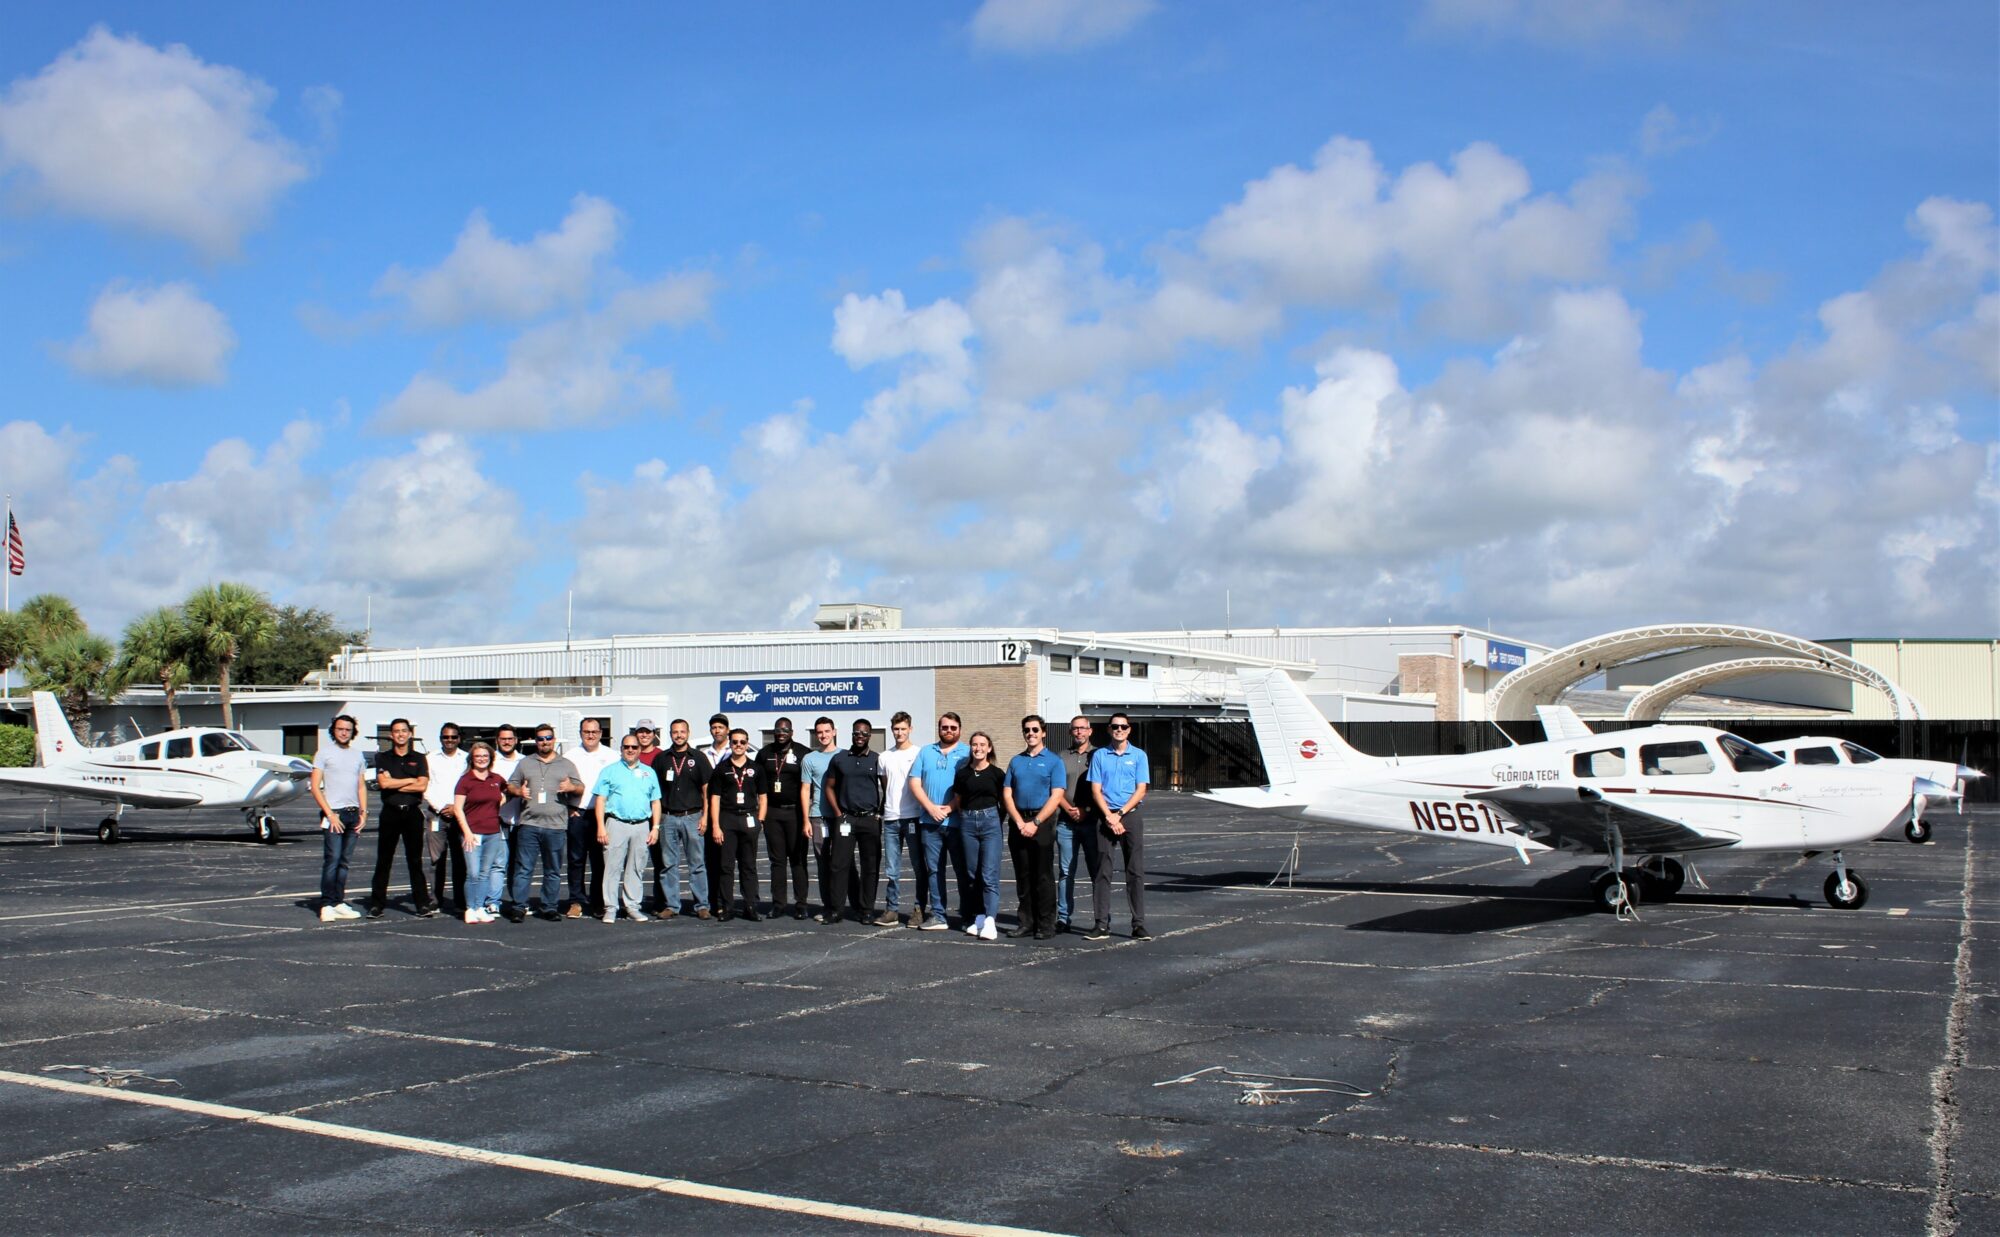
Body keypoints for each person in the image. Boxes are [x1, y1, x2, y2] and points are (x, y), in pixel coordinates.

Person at [1087, 713, 1151, 941]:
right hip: (1105, 817)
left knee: (1135, 871)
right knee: (1102, 871)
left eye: (1123, 726)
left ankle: (1138, 924)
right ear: (1109, 729)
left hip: (1130, 816)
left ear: (1129, 729)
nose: (1119, 730)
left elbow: (1141, 789)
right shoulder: (1099, 755)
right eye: (1115, 726)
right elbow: (1095, 790)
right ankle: (1101, 924)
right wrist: (1109, 816)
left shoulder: (1139, 756)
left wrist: (1120, 814)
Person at [1003, 714, 1066, 940]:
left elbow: (1057, 795)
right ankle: (1026, 922)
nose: (1031, 734)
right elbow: (1007, 793)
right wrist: (1020, 822)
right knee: (1023, 875)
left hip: (1042, 822)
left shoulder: (1054, 761)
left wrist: (1036, 822)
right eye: (1027, 730)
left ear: (1043, 733)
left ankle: (1046, 924)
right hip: (1019, 822)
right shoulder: (1016, 761)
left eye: (1035, 730)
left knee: (1043, 876)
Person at [507, 724, 579, 921]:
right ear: (535, 741)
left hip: (556, 826)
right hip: (529, 824)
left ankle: (549, 907)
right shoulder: (525, 763)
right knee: (524, 869)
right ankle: (519, 907)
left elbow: (580, 787)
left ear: (553, 740)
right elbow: (511, 785)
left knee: (552, 870)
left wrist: (571, 787)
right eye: (540, 739)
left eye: (548, 738)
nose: (544, 742)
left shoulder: (566, 764)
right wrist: (518, 791)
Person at [908, 712, 969, 930]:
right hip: (929, 822)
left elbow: (970, 785)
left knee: (963, 871)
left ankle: (968, 916)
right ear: (939, 729)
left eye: (953, 727)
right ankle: (938, 916)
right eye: (945, 727)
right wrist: (930, 808)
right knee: (934, 870)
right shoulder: (926, 751)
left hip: (958, 823)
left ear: (959, 729)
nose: (949, 731)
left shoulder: (967, 753)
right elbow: (914, 782)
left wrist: (951, 807)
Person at [593, 733, 661, 923]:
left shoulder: (649, 772)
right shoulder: (609, 771)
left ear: (640, 750)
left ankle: (632, 907)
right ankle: (610, 908)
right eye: (626, 747)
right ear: (621, 749)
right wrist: (601, 827)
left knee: (636, 868)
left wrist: (655, 827)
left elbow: (655, 802)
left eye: (634, 747)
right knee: (612, 868)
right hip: (616, 824)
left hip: (641, 825)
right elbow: (601, 800)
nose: (630, 750)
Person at [368, 718, 432, 918]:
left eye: (404, 731)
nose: (401, 734)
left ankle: (422, 904)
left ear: (410, 734)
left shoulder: (419, 758)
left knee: (415, 861)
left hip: (412, 813)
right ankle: (377, 904)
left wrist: (395, 783)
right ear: (391, 735)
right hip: (390, 812)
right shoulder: (383, 757)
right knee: (384, 860)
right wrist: (411, 780)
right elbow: (384, 784)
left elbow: (422, 786)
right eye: (396, 731)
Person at [823, 719, 885, 925]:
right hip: (846, 819)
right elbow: (829, 787)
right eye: (857, 733)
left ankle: (866, 910)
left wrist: (879, 814)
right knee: (838, 865)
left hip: (869, 819)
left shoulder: (877, 759)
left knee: (870, 866)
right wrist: (838, 813)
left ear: (869, 736)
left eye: (864, 734)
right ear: (852, 734)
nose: (860, 737)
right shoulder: (840, 759)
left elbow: (887, 788)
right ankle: (836, 910)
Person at [948, 731, 1006, 941]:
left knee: (989, 874)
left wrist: (995, 820)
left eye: (982, 744)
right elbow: (958, 800)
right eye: (974, 744)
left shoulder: (997, 774)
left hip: (991, 823)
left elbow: (1004, 801)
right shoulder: (962, 774)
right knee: (972, 874)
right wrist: (967, 817)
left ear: (989, 748)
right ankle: (979, 916)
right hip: (968, 824)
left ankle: (990, 920)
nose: (978, 748)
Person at [310, 713, 368, 922]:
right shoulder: (324, 754)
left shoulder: (357, 755)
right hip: (334, 813)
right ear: (333, 731)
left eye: (348, 730)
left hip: (353, 813)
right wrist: (330, 814)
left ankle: (338, 901)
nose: (344, 733)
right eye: (340, 729)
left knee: (344, 861)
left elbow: (361, 786)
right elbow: (315, 787)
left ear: (353, 732)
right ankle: (326, 904)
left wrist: (364, 813)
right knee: (332, 859)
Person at [655, 719, 712, 919]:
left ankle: (702, 905)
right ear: (670, 734)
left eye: (682, 731)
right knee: (668, 864)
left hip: (692, 816)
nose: (679, 735)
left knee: (697, 863)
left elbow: (706, 790)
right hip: (668, 817)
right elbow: (655, 792)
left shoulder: (699, 758)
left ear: (688, 733)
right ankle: (672, 905)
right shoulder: (662, 758)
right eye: (675, 732)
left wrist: (705, 817)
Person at [754, 717, 810, 920]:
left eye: (785, 730)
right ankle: (778, 904)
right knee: (777, 861)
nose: (781, 734)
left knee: (798, 860)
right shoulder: (764, 754)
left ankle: (801, 904)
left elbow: (809, 785)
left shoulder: (803, 753)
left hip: (795, 813)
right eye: (778, 730)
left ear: (792, 733)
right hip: (773, 813)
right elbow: (756, 782)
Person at [706, 728, 764, 921]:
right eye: (735, 742)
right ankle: (727, 907)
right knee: (726, 866)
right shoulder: (721, 768)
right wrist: (716, 825)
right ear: (730, 744)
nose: (738, 745)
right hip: (728, 818)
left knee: (749, 866)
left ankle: (751, 906)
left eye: (742, 742)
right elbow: (714, 798)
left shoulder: (756, 768)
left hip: (749, 818)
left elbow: (763, 796)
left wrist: (760, 820)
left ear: (747, 744)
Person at [453, 741, 510, 924]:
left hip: (493, 832)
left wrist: (499, 803)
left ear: (491, 758)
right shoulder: (465, 780)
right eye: (478, 756)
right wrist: (467, 833)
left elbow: (506, 792)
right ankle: (470, 908)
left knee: (485, 873)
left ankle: (480, 907)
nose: (482, 759)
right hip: (473, 833)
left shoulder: (496, 779)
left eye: (485, 756)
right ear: (472, 758)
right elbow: (457, 809)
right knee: (473, 873)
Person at [564, 718, 617, 919]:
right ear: (580, 733)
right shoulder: (570, 756)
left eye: (594, 732)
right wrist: (568, 807)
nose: (590, 735)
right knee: (576, 859)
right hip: (577, 813)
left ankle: (598, 902)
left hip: (601, 816)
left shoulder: (612, 756)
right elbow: (559, 783)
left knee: (599, 861)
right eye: (586, 732)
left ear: (601, 733)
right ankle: (576, 901)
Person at [1056, 715, 1103, 935]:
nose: (1079, 732)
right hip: (1066, 823)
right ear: (1070, 731)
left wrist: (1087, 810)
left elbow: (1103, 788)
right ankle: (1063, 918)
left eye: (1083, 728)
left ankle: (1101, 919)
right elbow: (1055, 788)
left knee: (1096, 871)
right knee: (1066, 872)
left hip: (1092, 822)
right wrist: (1069, 809)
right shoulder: (1061, 757)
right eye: (1075, 729)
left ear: (1090, 731)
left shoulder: (1099, 755)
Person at [877, 711, 923, 927]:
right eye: (896, 729)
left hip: (912, 817)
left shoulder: (918, 753)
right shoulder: (884, 757)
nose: (899, 733)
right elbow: (885, 784)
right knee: (892, 869)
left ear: (910, 729)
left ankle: (919, 909)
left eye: (903, 729)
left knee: (918, 866)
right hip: (891, 818)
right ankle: (892, 909)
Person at [422, 723, 468, 915]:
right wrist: (441, 807)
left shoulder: (466, 758)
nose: (449, 740)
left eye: (453, 737)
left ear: (459, 738)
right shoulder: (430, 758)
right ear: (440, 738)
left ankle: (460, 900)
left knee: (460, 859)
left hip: (460, 815)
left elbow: (469, 786)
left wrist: (455, 808)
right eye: (445, 737)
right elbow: (426, 786)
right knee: (436, 860)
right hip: (436, 814)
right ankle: (435, 899)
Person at [700, 714, 738, 915]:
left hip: (730, 812)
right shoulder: (704, 755)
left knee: (729, 861)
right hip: (710, 811)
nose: (717, 730)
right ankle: (714, 901)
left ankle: (728, 901)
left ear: (727, 730)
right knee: (712, 860)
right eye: (714, 727)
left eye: (721, 727)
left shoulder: (735, 752)